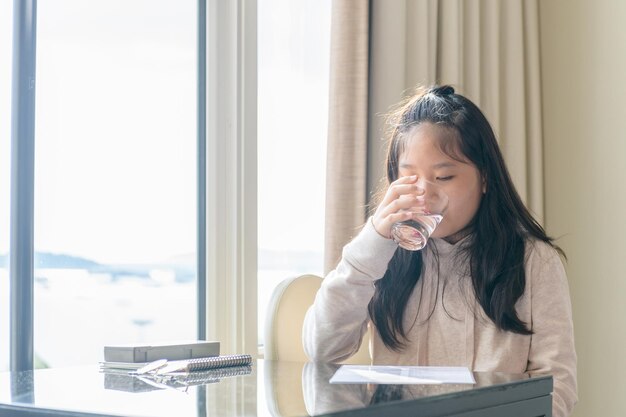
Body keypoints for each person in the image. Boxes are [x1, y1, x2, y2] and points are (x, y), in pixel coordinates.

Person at [302, 85, 577, 417]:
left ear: (485, 178)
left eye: (443, 176)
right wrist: (374, 239)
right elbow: (321, 349)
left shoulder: (533, 262)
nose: (425, 194)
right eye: (409, 177)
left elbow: (557, 389)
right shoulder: (382, 255)